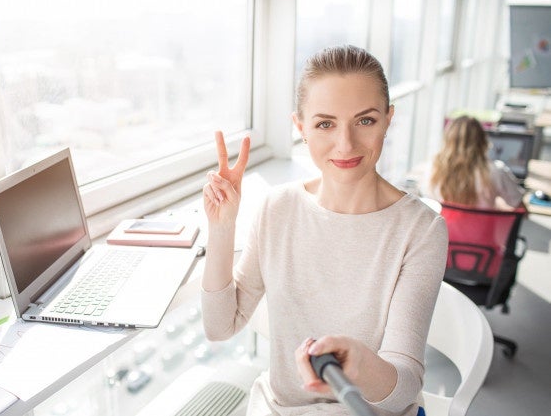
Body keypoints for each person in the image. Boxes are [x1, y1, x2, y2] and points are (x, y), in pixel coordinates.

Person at [201, 45, 448, 416]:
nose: (345, 144)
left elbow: (402, 391)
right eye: (325, 124)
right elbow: (220, 326)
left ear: (388, 119)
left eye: (365, 121)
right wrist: (222, 229)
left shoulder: (421, 229)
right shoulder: (276, 208)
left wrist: (360, 365)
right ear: (301, 127)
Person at [421, 115, 525, 210]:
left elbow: (426, 200)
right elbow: (521, 209)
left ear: (447, 140)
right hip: (482, 230)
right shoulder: (496, 171)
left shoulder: (432, 168)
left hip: (442, 230)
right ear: (483, 140)